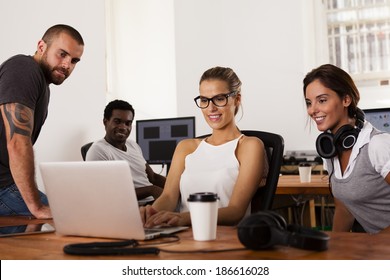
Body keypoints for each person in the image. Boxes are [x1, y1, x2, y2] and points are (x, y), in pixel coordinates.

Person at [141, 66, 267, 227]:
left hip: (224, 239)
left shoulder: (250, 146)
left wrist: (184, 218)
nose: (211, 108)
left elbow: (235, 211)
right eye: (204, 100)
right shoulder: (185, 147)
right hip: (181, 236)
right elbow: (168, 197)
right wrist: (150, 214)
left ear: (237, 99)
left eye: (219, 98)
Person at [0, 24, 84, 219]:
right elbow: (18, 143)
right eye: (62, 54)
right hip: (3, 187)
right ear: (41, 46)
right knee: (76, 218)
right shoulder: (24, 69)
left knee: (77, 211)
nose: (67, 65)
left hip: (7, 185)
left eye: (74, 60)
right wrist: (36, 206)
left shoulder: (41, 84)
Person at [303, 64, 390, 234]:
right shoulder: (330, 150)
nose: (312, 110)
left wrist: (375, 244)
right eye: (309, 102)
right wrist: (334, 251)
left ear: (346, 100)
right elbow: (344, 209)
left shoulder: (377, 144)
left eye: (322, 100)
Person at [86, 99, 166, 201]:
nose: (123, 127)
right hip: (135, 207)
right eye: (117, 121)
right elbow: (106, 193)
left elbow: (153, 177)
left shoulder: (133, 145)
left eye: (128, 123)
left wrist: (177, 185)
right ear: (105, 122)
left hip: (154, 202)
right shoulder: (98, 150)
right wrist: (151, 190)